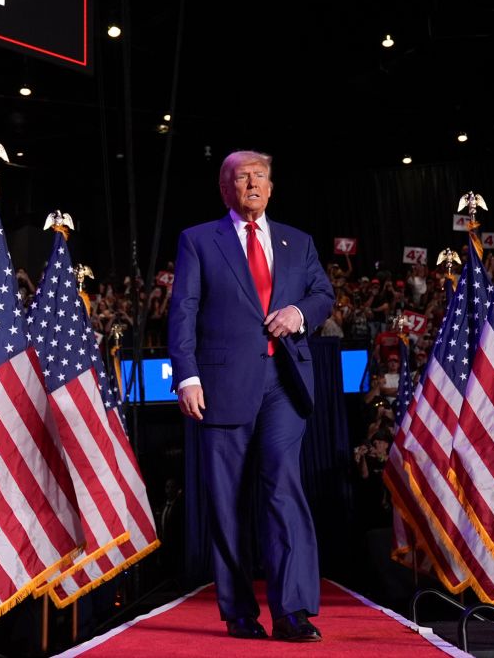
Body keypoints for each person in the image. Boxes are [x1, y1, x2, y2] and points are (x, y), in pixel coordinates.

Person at [167, 150, 334, 642]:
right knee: (228, 502)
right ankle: (239, 611)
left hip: (285, 383)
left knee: (284, 489)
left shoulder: (298, 242)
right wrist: (187, 376)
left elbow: (323, 294)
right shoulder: (198, 240)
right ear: (226, 189)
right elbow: (183, 311)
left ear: (272, 187)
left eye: (261, 176)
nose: (253, 184)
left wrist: (300, 313)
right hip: (221, 387)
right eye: (243, 178)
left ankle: (292, 611)